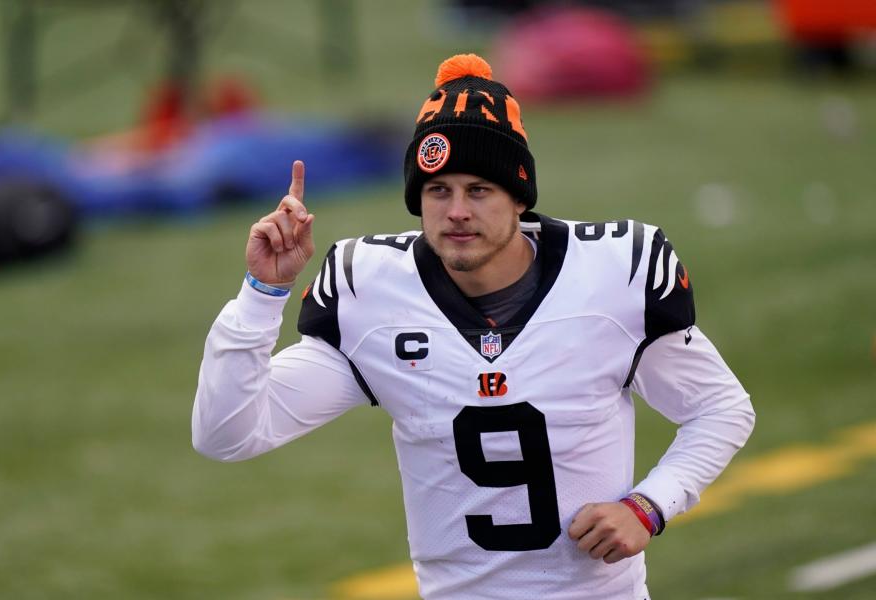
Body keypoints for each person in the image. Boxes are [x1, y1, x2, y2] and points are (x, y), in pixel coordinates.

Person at [192, 54, 755, 599]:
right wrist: (263, 293)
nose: (456, 210)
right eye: (439, 191)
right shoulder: (372, 293)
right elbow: (228, 435)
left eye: (478, 190)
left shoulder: (612, 279)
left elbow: (721, 408)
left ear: (519, 199)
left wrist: (649, 505)